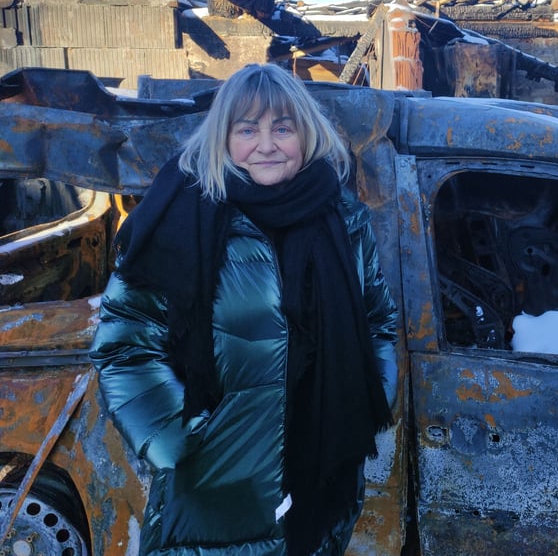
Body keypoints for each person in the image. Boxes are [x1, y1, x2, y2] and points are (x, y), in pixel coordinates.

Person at [89, 62, 398, 555]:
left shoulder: (342, 218)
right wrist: (175, 437)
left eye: (282, 127)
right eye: (247, 129)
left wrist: (368, 396)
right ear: (224, 137)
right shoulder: (182, 215)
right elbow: (125, 342)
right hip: (216, 488)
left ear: (305, 133)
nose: (267, 144)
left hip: (319, 480)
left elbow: (377, 320)